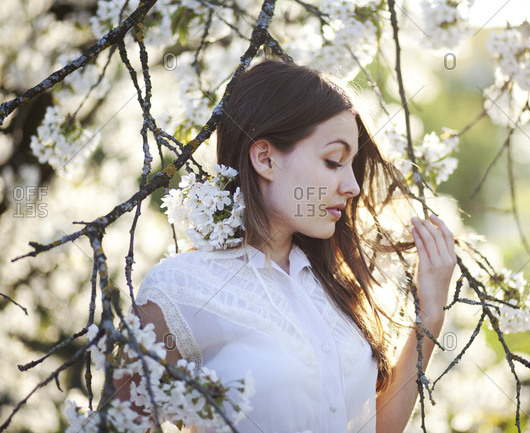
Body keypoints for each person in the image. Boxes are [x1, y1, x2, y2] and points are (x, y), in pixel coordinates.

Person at [119, 59, 456, 433]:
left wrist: (429, 317)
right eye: (333, 161)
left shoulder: (333, 288)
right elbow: (122, 424)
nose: (352, 186)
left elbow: (376, 428)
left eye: (351, 165)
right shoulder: (178, 290)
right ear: (265, 159)